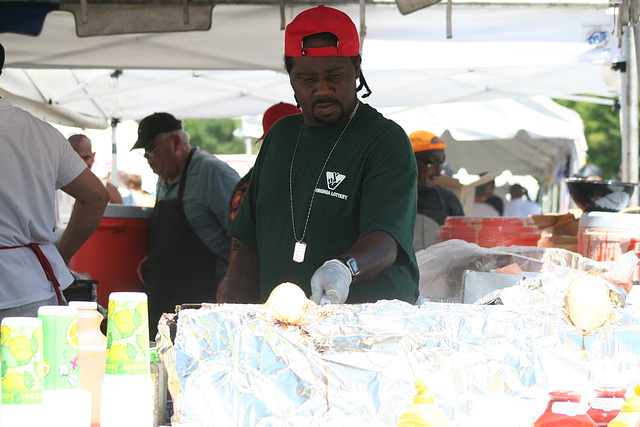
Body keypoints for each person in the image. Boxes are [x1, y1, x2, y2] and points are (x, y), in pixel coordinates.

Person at [226, 5, 419, 305]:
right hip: (281, 327)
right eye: (307, 79)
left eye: (335, 75)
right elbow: (249, 241)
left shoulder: (385, 140)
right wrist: (232, 311)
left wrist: (345, 267)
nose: (322, 89)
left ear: (357, 68)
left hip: (366, 327)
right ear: (290, 77)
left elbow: (386, 240)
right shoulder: (279, 136)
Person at [0, 42, 110, 322]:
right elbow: (96, 196)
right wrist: (61, 253)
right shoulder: (42, 133)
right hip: (32, 289)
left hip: (29, 288)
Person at [131, 112, 239, 338]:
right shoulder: (162, 180)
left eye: (151, 148)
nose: (148, 157)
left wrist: (231, 277)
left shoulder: (212, 173)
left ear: (176, 142)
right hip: (165, 298)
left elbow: (242, 229)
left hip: (203, 299)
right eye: (144, 152)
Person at [216, 102, 301, 302]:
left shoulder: (305, 176)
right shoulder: (248, 186)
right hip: (260, 284)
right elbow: (239, 240)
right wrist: (230, 277)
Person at [409, 130, 464, 251]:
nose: (439, 169)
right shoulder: (392, 198)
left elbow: (462, 244)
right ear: (410, 160)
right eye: (431, 162)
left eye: (441, 161)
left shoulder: (448, 199)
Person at [68, 134, 124, 204]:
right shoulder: (55, 189)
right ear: (67, 158)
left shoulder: (109, 191)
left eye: (86, 158)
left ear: (93, 156)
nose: (82, 163)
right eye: (77, 158)